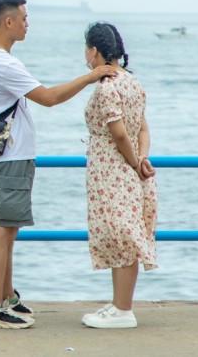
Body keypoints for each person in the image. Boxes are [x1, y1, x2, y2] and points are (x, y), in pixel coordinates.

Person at [0, 0, 116, 330]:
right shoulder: (3, 62)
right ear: (7, 21)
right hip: (9, 157)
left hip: (4, 157)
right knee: (1, 228)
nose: (27, 24)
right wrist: (91, 77)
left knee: (8, 229)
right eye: (23, 18)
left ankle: (6, 297)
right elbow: (49, 98)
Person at [80, 22, 157, 329]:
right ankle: (118, 303)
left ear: (94, 51)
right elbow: (142, 128)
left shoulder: (107, 86)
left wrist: (133, 161)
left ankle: (124, 309)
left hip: (112, 168)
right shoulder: (133, 83)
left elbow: (120, 134)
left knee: (123, 234)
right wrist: (142, 159)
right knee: (122, 233)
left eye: (87, 50)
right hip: (127, 167)